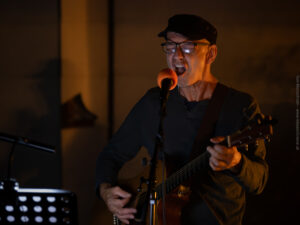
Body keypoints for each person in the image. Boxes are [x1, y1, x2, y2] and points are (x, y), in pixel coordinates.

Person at [95, 14, 269, 225]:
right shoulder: (154, 101)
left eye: (188, 47)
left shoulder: (240, 106)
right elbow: (111, 154)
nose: (176, 56)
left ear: (211, 54)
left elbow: (259, 181)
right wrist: (105, 191)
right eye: (170, 47)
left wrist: (236, 162)